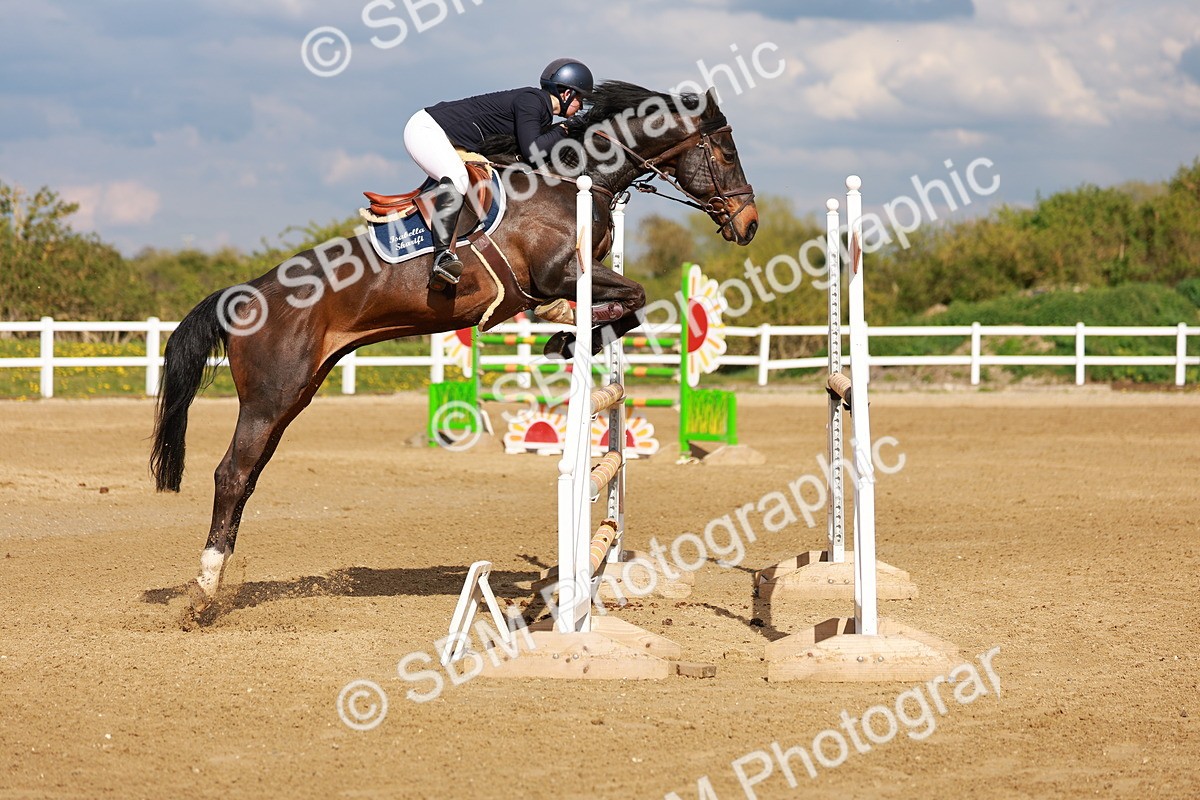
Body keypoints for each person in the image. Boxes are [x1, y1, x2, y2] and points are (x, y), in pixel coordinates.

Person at [403, 58, 594, 292]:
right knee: (457, 178)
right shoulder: (532, 101)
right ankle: (443, 257)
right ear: (566, 94)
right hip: (426, 130)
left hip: (444, 136)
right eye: (580, 99)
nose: (580, 107)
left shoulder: (540, 110)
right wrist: (565, 129)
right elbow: (533, 151)